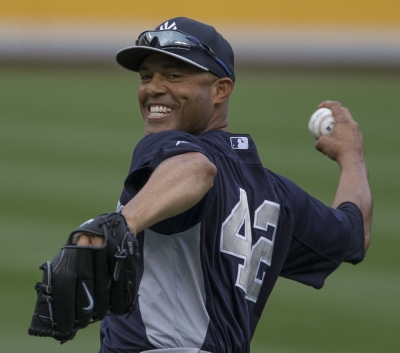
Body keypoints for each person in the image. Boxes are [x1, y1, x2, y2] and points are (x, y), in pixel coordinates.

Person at [77, 17, 372, 353]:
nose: (152, 88)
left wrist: (119, 226)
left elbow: (196, 169)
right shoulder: (275, 193)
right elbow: (354, 235)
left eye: (174, 75)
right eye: (147, 76)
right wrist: (352, 158)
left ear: (220, 89)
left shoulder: (166, 145)